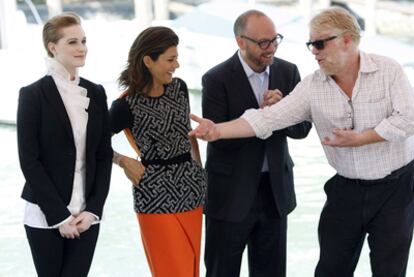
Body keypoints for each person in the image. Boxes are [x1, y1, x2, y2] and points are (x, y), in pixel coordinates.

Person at [190, 7, 414, 277]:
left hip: (395, 189)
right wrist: (217, 131)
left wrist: (361, 138)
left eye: (319, 43)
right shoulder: (312, 87)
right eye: (311, 44)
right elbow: (267, 119)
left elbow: (408, 120)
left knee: (390, 271)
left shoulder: (388, 70)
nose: (314, 51)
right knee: (330, 271)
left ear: (346, 40)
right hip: (345, 191)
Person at [201, 9, 311, 277]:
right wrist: (262, 117)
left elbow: (302, 129)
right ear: (241, 42)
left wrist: (282, 112)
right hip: (230, 195)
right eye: (263, 42)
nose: (270, 48)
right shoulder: (215, 79)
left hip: (274, 193)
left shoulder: (288, 71)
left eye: (275, 40)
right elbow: (220, 142)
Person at [17, 12, 112, 277]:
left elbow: (103, 156)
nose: (82, 48)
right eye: (72, 42)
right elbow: (29, 161)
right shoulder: (32, 95)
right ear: (52, 47)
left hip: (87, 217)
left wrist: (94, 210)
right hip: (45, 216)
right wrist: (58, 215)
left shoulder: (96, 92)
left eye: (83, 40)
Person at [109, 26, 206, 277]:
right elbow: (93, 143)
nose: (177, 65)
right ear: (148, 61)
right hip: (153, 193)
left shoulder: (179, 88)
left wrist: (200, 173)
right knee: (172, 270)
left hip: (190, 188)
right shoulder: (125, 105)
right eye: (170, 59)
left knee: (192, 268)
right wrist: (122, 161)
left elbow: (187, 132)